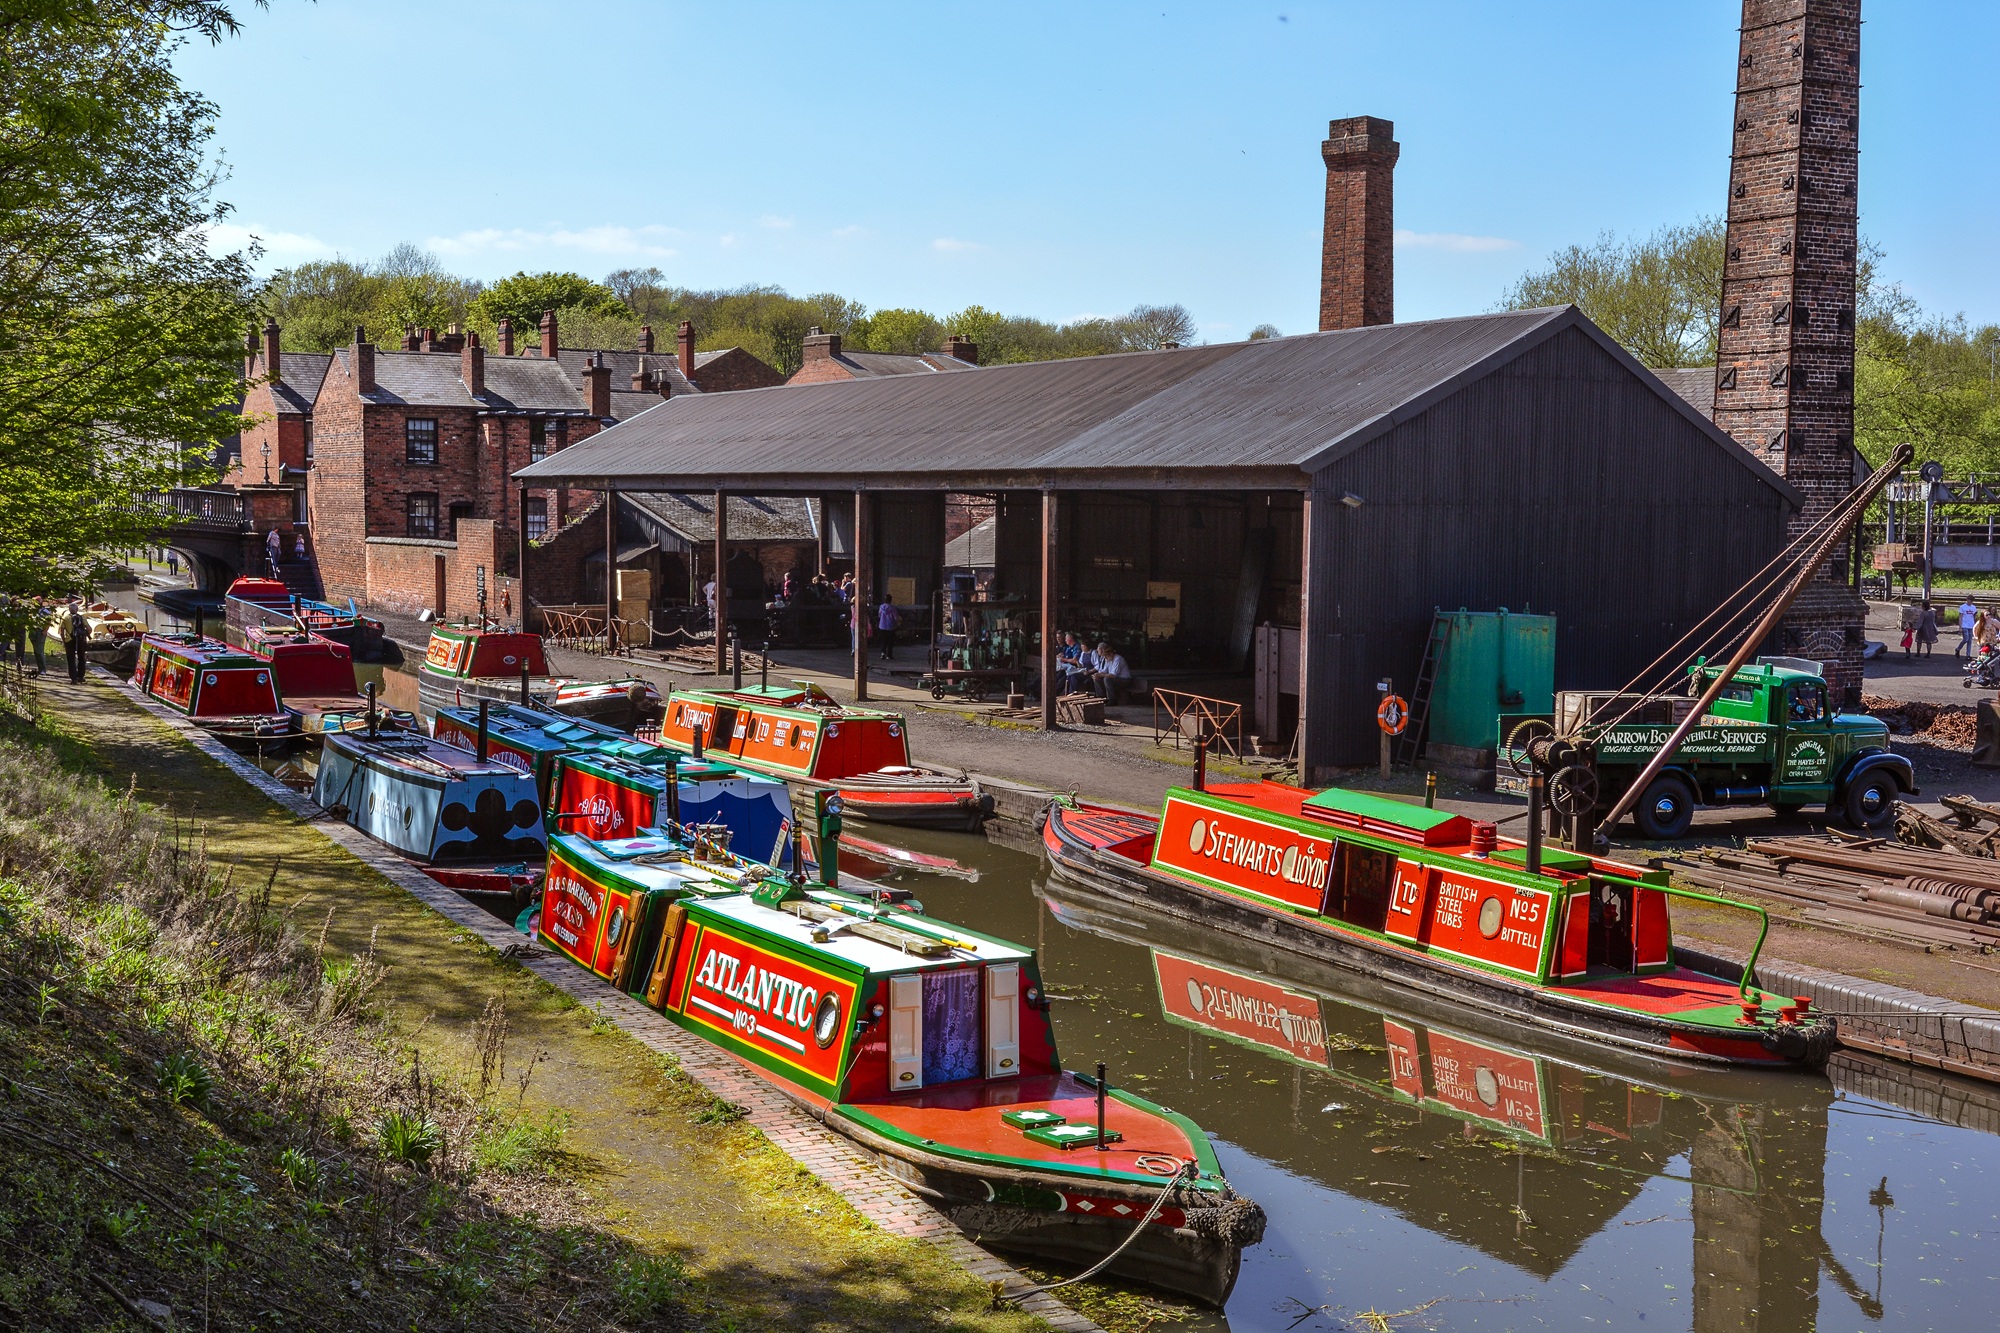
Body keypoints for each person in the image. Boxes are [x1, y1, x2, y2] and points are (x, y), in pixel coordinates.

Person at [60, 598, 87, 683]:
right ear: (77, 610)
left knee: (71, 659)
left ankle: (73, 678)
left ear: (69, 610)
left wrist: (64, 640)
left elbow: (61, 631)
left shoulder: (65, 618)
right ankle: (81, 677)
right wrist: (84, 636)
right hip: (80, 640)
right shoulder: (82, 617)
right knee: (81, 658)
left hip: (69, 640)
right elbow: (89, 629)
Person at [875, 596, 899, 661]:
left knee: (883, 640)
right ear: (890, 600)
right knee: (890, 641)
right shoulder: (893, 608)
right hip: (891, 626)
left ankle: (883, 653)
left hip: (882, 626)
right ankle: (889, 654)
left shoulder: (881, 607)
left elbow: (879, 615)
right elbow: (896, 617)